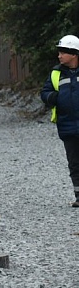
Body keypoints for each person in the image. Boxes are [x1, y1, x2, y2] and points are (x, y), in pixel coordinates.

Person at [41, 34, 79, 207]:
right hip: (67, 127)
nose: (59, 55)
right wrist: (54, 98)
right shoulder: (56, 73)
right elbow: (45, 93)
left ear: (74, 54)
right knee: (74, 163)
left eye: (63, 52)